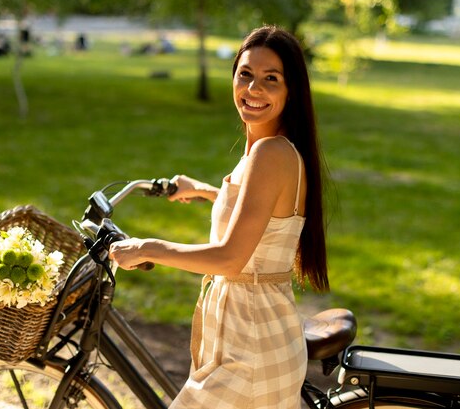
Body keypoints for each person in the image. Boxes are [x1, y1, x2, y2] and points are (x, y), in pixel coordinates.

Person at [109, 25, 330, 409]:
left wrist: (151, 248)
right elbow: (264, 216)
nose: (253, 89)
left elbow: (230, 258)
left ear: (291, 90)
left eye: (270, 79)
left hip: (252, 350)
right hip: (253, 338)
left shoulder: (270, 155)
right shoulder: (270, 151)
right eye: (245, 74)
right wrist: (206, 190)